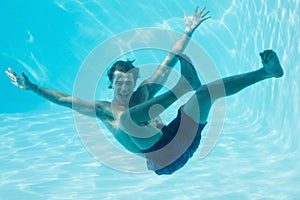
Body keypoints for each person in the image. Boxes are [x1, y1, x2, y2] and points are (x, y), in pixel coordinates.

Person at [5, 6, 284, 175]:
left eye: (129, 80)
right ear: (112, 84)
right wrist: (31, 87)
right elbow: (65, 99)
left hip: (180, 138)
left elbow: (169, 59)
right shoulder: (103, 110)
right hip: (165, 159)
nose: (125, 85)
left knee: (205, 95)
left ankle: (266, 72)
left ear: (134, 79)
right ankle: (184, 86)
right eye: (119, 81)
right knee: (127, 120)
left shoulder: (145, 92)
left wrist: (188, 31)